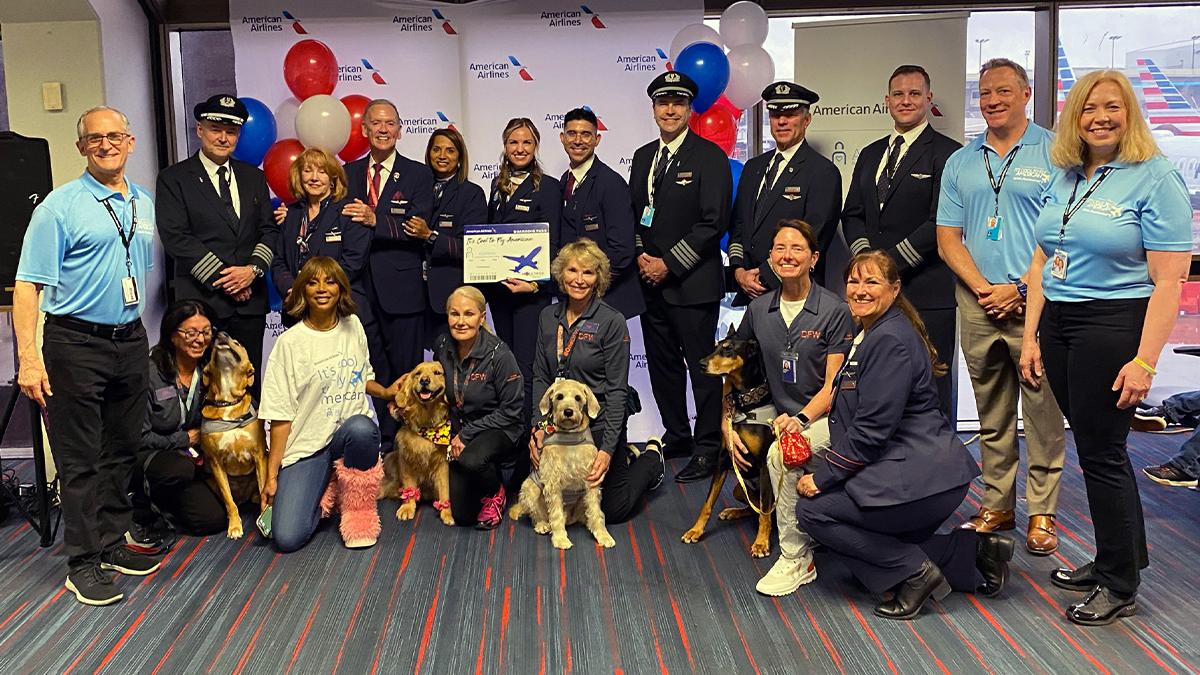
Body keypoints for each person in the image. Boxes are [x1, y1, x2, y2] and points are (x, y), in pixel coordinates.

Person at [1019, 70, 1193, 626]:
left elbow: (1169, 281)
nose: (1100, 117)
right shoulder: (1068, 172)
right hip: (1062, 323)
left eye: (1112, 107)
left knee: (1102, 453)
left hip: (1112, 323)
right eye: (1089, 107)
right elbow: (1045, 256)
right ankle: (1120, 557)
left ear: (1130, 113)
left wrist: (1145, 361)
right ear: (1074, 116)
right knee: (1095, 449)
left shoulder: (1155, 176)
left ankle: (1119, 584)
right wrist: (1030, 335)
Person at [796, 251, 1013, 620]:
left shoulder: (889, 340)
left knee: (814, 512)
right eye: (854, 281)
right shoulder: (872, 332)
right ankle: (973, 553)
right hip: (918, 471)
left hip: (922, 478)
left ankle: (915, 572)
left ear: (895, 289)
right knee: (871, 535)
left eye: (871, 282)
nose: (860, 290)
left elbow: (872, 430)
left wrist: (823, 477)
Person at [14, 106, 162, 606]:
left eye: (115, 136)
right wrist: (29, 359)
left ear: (131, 142)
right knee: (79, 460)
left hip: (129, 339)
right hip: (75, 344)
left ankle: (112, 542)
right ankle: (81, 564)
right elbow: (27, 285)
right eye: (95, 138)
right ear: (81, 148)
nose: (106, 144)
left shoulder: (142, 202)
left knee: (121, 450)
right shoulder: (59, 207)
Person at [936, 58, 1065, 555]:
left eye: (1003, 91)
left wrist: (1019, 289)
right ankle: (998, 503)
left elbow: (1064, 234)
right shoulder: (962, 161)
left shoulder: (1055, 151)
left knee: (1042, 412)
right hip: (977, 304)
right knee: (991, 411)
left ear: (1027, 93)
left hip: (1035, 305)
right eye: (985, 93)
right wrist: (986, 288)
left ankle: (1043, 513)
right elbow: (948, 239)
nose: (992, 100)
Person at [729, 221, 854, 596]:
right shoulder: (757, 308)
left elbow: (835, 386)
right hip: (779, 412)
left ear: (814, 258)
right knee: (753, 444)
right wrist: (727, 422)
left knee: (781, 456)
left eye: (797, 248)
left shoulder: (834, 310)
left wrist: (800, 420)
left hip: (829, 416)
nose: (787, 255)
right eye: (779, 248)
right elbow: (733, 364)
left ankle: (796, 559)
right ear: (769, 257)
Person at [843, 65, 962, 423]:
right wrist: (868, 264)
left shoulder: (948, 153)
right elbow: (852, 214)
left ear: (928, 98)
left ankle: (937, 467)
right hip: (874, 294)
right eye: (898, 94)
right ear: (887, 101)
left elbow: (941, 220)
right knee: (875, 380)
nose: (905, 100)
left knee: (932, 380)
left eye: (914, 94)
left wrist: (886, 265)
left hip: (927, 290)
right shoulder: (870, 153)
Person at [630, 70, 732, 483]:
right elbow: (635, 214)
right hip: (650, 285)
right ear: (654, 109)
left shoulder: (709, 157)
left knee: (703, 369)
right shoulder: (641, 157)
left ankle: (709, 447)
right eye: (662, 103)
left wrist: (667, 263)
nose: (669, 109)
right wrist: (641, 256)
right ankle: (678, 434)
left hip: (692, 284)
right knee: (663, 367)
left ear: (690, 109)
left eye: (678, 103)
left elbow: (714, 222)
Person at [259, 257, 392, 552]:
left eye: (330, 281)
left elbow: (362, 377)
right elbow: (280, 417)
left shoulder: (353, 325)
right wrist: (271, 477)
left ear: (341, 289)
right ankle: (328, 485)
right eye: (312, 282)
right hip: (308, 443)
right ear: (302, 290)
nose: (322, 289)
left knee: (362, 428)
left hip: (348, 434)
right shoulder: (289, 344)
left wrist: (384, 392)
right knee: (287, 538)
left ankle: (358, 511)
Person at [530, 240, 664, 524]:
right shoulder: (545, 317)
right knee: (537, 481)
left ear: (598, 279)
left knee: (614, 510)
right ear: (561, 275)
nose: (579, 279)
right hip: (559, 418)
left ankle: (651, 460)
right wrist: (538, 428)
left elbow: (617, 392)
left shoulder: (611, 321)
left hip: (599, 420)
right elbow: (541, 376)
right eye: (573, 270)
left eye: (588, 273)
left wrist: (606, 450)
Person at [156, 94, 278, 402]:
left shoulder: (254, 177)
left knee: (248, 384)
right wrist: (228, 280)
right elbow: (176, 237)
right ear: (200, 130)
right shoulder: (174, 179)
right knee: (201, 385)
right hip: (201, 303)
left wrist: (251, 272)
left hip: (250, 302)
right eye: (215, 129)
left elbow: (268, 231)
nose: (223, 137)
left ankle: (252, 447)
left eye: (231, 131)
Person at [342, 99, 435, 451]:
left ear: (399, 129)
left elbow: (416, 226)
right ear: (364, 129)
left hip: (402, 288)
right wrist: (288, 216)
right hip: (357, 289)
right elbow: (322, 203)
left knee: (407, 371)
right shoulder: (347, 173)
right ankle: (380, 443)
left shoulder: (418, 174)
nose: (383, 129)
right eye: (375, 123)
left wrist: (375, 220)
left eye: (390, 123)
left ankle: (412, 443)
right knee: (371, 370)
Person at [486, 117, 562, 487]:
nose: (519, 149)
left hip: (531, 298)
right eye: (513, 142)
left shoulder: (548, 187)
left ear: (536, 147)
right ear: (505, 145)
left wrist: (536, 285)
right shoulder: (496, 186)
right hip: (501, 298)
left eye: (526, 143)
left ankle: (531, 446)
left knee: (530, 372)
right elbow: (486, 240)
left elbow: (556, 246)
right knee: (509, 371)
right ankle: (510, 442)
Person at [729, 81, 841, 301]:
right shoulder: (753, 167)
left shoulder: (823, 172)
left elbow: (814, 236)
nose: (781, 121)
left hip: (796, 293)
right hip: (751, 290)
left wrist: (765, 275)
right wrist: (739, 271)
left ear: (806, 119)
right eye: (775, 114)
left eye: (790, 114)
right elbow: (738, 226)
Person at [131, 300, 226, 549]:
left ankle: (164, 504)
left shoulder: (211, 369)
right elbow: (137, 436)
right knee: (179, 468)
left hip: (189, 460)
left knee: (212, 521)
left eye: (206, 332)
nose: (199, 340)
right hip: (148, 455)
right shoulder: (149, 371)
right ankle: (137, 510)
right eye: (190, 333)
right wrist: (185, 440)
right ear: (172, 336)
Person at [434, 286, 525, 529]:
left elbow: (512, 411)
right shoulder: (443, 345)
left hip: (501, 428)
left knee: (472, 460)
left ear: (482, 317)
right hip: (462, 429)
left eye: (469, 314)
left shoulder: (499, 355)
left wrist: (466, 434)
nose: (461, 322)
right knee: (463, 516)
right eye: (455, 314)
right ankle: (485, 471)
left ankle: (497, 492)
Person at [403, 128, 488, 347]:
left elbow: (472, 249)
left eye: (450, 150)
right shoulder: (413, 188)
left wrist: (430, 237)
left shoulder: (471, 194)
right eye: (436, 149)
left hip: (450, 295)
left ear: (460, 157)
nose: (442, 155)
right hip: (413, 296)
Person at [558, 107, 644, 319]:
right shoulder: (563, 182)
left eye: (586, 134)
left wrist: (587, 284)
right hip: (576, 298)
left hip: (607, 301)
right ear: (562, 138)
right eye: (572, 133)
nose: (578, 140)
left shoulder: (611, 183)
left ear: (597, 140)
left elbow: (622, 250)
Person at [271, 147, 372, 324]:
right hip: (298, 310)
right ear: (299, 176)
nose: (314, 178)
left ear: (333, 179)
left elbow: (353, 262)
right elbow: (279, 261)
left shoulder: (349, 211)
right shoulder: (289, 214)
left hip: (340, 310)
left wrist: (316, 290)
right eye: (307, 171)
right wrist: (291, 289)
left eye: (322, 172)